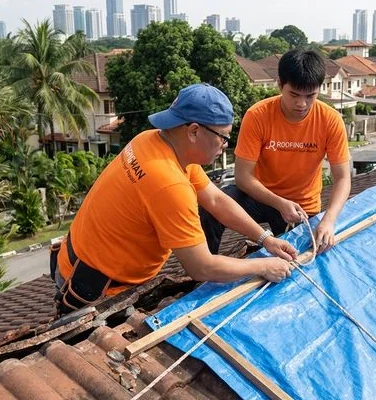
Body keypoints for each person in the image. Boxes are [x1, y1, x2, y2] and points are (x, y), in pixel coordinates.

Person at [52, 83, 298, 315]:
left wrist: (265, 239)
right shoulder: (168, 183)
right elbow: (201, 267)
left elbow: (214, 199)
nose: (225, 145)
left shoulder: (153, 141)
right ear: (193, 131)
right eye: (223, 137)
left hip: (79, 262)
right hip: (95, 290)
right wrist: (264, 266)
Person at [200, 49, 351, 255]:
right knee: (210, 207)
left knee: (299, 259)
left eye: (310, 96)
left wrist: (329, 220)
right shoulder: (258, 115)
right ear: (280, 85)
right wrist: (279, 202)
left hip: (301, 208)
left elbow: (342, 178)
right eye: (294, 94)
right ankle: (208, 268)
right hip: (259, 196)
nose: (301, 104)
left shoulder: (330, 120)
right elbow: (243, 177)